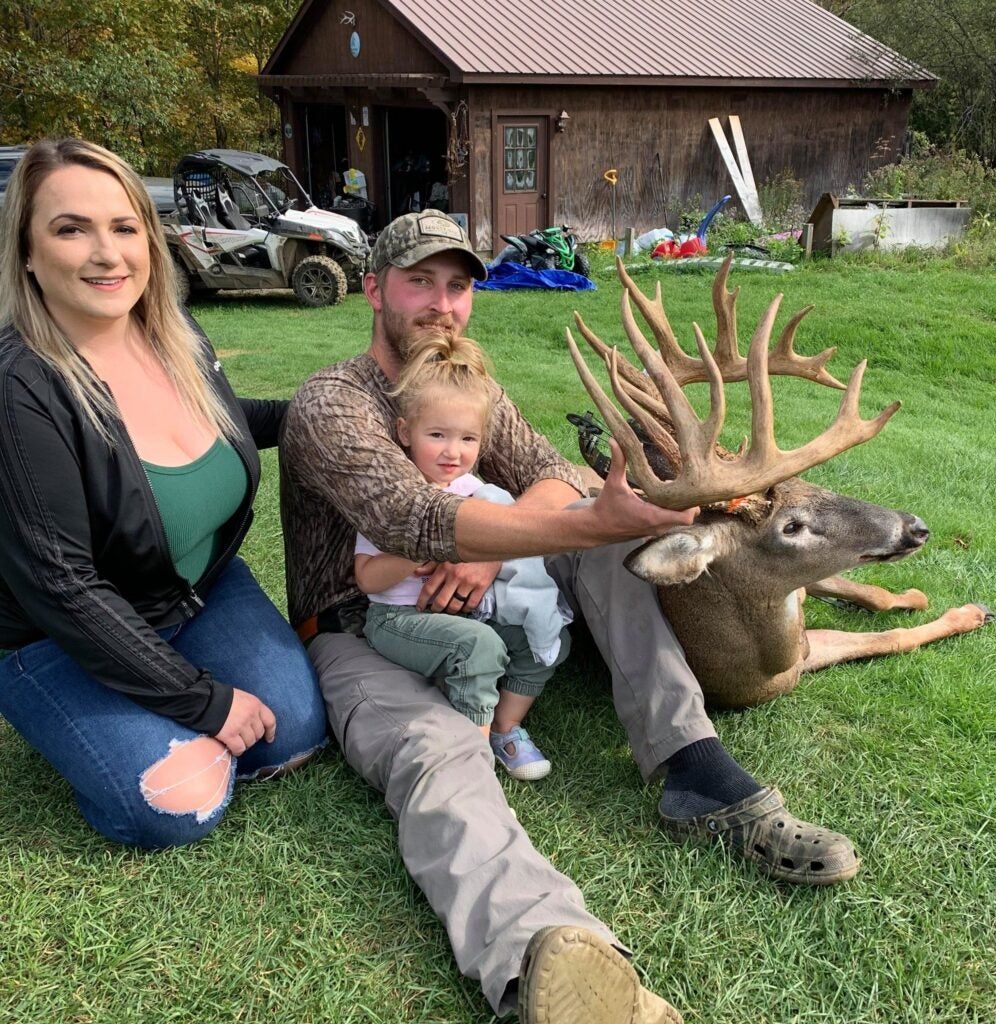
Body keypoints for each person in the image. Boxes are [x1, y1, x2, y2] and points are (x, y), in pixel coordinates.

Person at [280, 210, 859, 1022]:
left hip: (478, 597)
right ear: (374, 289)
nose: (442, 304)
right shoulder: (331, 403)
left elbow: (551, 473)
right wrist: (559, 522)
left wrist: (499, 548)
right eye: (420, 282)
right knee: (437, 756)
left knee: (601, 543)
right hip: (364, 628)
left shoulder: (471, 385)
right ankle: (542, 957)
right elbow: (409, 515)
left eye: (458, 286)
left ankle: (694, 769)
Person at [0, 139, 327, 849]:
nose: (107, 253)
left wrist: (332, 408)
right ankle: (79, 711)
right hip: (55, 636)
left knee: (295, 730)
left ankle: (135, 706)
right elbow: (62, 587)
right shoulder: (22, 389)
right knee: (178, 804)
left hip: (196, 592)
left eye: (124, 227)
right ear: (26, 252)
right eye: (70, 228)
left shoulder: (173, 333)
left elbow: (231, 423)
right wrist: (203, 703)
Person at [354, 330, 570, 779]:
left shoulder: (480, 495)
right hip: (398, 618)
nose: (453, 452)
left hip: (469, 610)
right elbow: (367, 579)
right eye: (437, 435)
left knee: (545, 639)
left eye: (467, 439)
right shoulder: (397, 497)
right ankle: (474, 765)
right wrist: (412, 556)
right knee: (481, 646)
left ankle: (504, 729)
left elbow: (510, 554)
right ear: (405, 432)